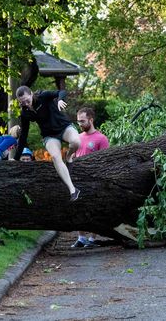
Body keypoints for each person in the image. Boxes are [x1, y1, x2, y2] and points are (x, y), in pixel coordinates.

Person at [13, 86, 81, 201]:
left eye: (27, 100)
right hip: (49, 135)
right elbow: (23, 135)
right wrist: (16, 158)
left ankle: (69, 156)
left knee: (76, 142)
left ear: (31, 93)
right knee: (55, 156)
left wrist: (60, 100)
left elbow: (61, 92)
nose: (26, 104)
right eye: (22, 102)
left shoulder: (43, 96)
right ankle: (73, 190)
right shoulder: (25, 113)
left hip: (64, 127)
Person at [71, 106, 109, 248]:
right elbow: (73, 157)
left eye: (82, 121)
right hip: (78, 179)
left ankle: (92, 239)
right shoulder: (77, 138)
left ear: (91, 120)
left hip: (94, 180)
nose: (79, 124)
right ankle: (81, 238)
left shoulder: (101, 139)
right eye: (78, 122)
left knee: (94, 209)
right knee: (78, 208)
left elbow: (106, 161)